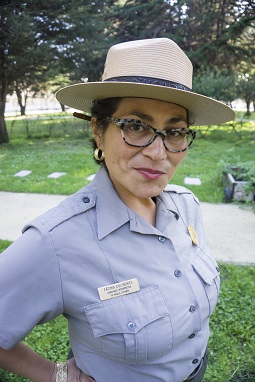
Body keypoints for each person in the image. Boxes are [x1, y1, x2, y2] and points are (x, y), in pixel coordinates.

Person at [0, 38, 234, 382]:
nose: (159, 152)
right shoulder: (57, 241)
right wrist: (55, 374)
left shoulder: (187, 207)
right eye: (136, 126)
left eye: (175, 131)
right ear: (98, 129)